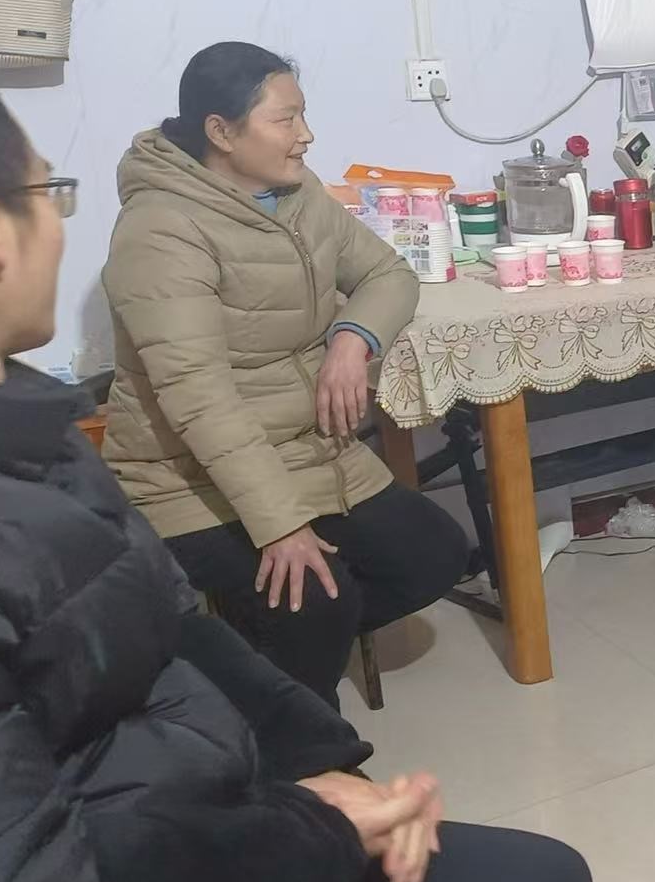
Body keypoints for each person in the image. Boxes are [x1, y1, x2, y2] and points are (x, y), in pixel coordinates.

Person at [0, 25, 604, 882]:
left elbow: (171, 626)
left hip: (183, 831)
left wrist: (325, 769)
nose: (60, 224)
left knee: (545, 881)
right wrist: (308, 835)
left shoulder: (16, 418)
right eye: (45, 191)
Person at [101, 42, 469, 707]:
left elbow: (387, 274)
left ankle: (258, 668)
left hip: (307, 451)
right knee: (319, 601)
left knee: (435, 554)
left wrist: (352, 341)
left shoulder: (300, 196)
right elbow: (200, 399)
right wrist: (280, 527)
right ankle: (294, 730)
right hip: (188, 477)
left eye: (302, 115)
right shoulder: (160, 230)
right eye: (285, 119)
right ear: (221, 132)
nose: (306, 135)